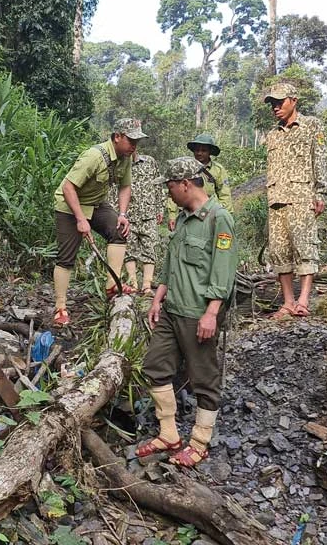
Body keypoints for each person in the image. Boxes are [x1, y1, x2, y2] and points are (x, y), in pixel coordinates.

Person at [136, 157, 238, 468]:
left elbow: (224, 270)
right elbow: (171, 261)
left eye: (169, 186)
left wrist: (212, 313)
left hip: (198, 313)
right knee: (154, 367)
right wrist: (158, 296)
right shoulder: (182, 218)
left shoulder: (218, 218)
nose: (167, 192)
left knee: (204, 379)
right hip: (172, 308)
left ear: (185, 184)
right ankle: (169, 434)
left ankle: (199, 442)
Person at [52, 118, 148, 327]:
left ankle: (112, 285)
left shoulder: (125, 157)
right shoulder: (94, 156)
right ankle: (60, 308)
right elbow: (68, 187)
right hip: (70, 205)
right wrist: (80, 219)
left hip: (96, 204)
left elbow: (125, 187)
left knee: (119, 230)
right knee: (66, 256)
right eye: (131, 140)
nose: (134, 146)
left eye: (137, 142)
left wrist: (122, 214)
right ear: (117, 137)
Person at [263, 83, 327, 319]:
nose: (276, 107)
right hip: (276, 199)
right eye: (273, 103)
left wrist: (321, 193)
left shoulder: (312, 125)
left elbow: (320, 160)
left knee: (305, 247)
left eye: (280, 102)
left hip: (302, 197)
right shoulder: (272, 134)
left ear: (294, 100)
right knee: (279, 252)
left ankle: (303, 300)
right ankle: (288, 302)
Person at [110, 152, 166, 295]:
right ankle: (133, 283)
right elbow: (112, 189)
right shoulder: (118, 164)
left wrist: (160, 207)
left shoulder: (149, 161)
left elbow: (158, 185)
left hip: (148, 213)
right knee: (129, 249)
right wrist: (114, 212)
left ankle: (147, 285)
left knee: (150, 246)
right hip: (127, 214)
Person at [166, 133, 233, 231]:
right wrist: (172, 215)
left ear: (210, 152)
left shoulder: (218, 170)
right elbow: (174, 191)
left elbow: (224, 195)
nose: (199, 153)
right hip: (186, 213)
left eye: (203, 150)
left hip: (209, 213)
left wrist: (224, 216)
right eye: (197, 150)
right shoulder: (184, 167)